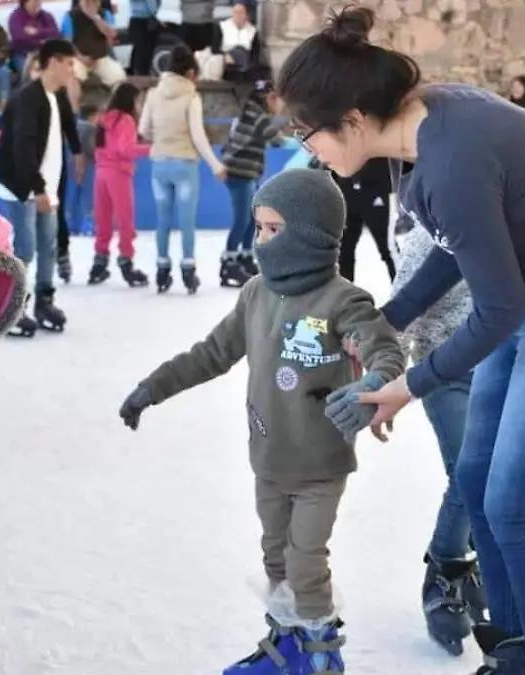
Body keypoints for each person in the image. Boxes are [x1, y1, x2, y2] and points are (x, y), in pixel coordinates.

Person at [280, 7, 525, 674]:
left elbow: (497, 307)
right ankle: (510, 650)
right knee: (478, 486)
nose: (308, 150)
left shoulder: (448, 160)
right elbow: (463, 246)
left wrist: (405, 386)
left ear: (353, 120)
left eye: (307, 132)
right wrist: (390, 320)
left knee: (517, 504)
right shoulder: (424, 135)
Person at [118, 169, 405, 675]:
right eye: (260, 229)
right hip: (269, 458)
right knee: (276, 558)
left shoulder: (343, 300)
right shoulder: (256, 293)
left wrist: (370, 384)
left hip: (320, 464)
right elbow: (212, 353)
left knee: (305, 562)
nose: (263, 241)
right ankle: (288, 642)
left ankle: (321, 656)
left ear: (313, 235)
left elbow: (382, 350)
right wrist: (153, 388)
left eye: (276, 230)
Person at [390, 219, 487, 657]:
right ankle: (446, 570)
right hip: (446, 370)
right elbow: (402, 307)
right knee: (470, 472)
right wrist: (385, 375)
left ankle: (477, 563)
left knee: (501, 474)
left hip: (505, 363)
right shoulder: (430, 229)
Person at [0, 39, 82, 337]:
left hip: (46, 187)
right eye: (69, 63)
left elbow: (69, 128)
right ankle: (12, 308)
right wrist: (39, 189)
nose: (73, 69)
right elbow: (22, 148)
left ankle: (44, 301)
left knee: (48, 246)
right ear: (54, 62)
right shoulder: (27, 99)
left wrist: (79, 152)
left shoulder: (56, 96)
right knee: (25, 249)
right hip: (24, 186)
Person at [138, 45, 226, 294]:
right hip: (185, 164)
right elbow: (198, 136)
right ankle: (188, 270)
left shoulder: (153, 94)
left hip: (160, 165)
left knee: (163, 220)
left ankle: (162, 268)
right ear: (189, 72)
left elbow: (143, 130)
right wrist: (216, 165)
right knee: (186, 221)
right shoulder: (191, 96)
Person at [219, 78, 284, 287]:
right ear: (269, 98)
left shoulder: (250, 113)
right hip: (239, 173)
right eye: (276, 99)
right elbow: (275, 139)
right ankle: (228, 261)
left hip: (245, 173)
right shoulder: (258, 116)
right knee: (242, 220)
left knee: (251, 219)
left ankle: (245, 257)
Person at [89, 82, 152, 286]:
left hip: (101, 173)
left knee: (103, 218)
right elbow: (125, 149)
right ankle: (126, 260)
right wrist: (151, 149)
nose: (140, 105)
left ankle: (99, 262)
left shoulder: (104, 119)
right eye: (138, 100)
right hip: (118, 173)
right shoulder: (126, 120)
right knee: (125, 219)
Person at [332, 157, 394, 282]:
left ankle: (404, 291)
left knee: (388, 248)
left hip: (375, 189)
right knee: (343, 251)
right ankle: (343, 296)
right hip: (345, 190)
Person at [61, 0, 126, 88]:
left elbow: (112, 35)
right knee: (73, 78)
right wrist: (80, 57)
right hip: (78, 58)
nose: (92, 4)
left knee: (119, 77)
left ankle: (117, 100)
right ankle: (73, 101)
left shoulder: (105, 13)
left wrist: (96, 17)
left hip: (101, 57)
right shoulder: (70, 16)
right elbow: (67, 43)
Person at [67, 103, 100, 236]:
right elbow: (90, 148)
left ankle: (72, 225)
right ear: (92, 116)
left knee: (74, 196)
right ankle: (88, 226)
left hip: (73, 165)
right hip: (87, 165)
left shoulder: (74, 126)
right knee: (89, 197)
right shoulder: (90, 129)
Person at [9, 0, 61, 77]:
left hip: (45, 54)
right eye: (35, 1)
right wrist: (40, 42)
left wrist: (37, 31)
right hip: (23, 54)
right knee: (32, 75)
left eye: (39, 1)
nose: (38, 3)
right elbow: (19, 38)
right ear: (25, 3)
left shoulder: (46, 16)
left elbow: (55, 33)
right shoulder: (15, 17)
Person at [214, 0, 262, 81]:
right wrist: (224, 56)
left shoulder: (252, 30)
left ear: (246, 14)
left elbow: (255, 53)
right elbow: (214, 48)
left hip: (245, 62)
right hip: (227, 61)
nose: (238, 15)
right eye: (235, 12)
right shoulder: (222, 26)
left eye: (241, 12)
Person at [127, 0, 161, 75]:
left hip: (136, 18)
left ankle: (135, 71)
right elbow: (152, 6)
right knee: (144, 49)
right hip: (145, 19)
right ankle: (141, 73)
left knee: (138, 48)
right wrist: (155, 10)